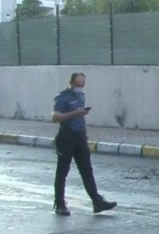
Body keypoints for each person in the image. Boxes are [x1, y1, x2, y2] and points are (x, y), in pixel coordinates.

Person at [50, 72, 117, 216]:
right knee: (62, 172)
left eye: (82, 84)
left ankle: (97, 201)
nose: (80, 86)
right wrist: (72, 114)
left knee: (87, 170)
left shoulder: (81, 96)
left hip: (80, 138)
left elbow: (79, 117)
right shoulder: (62, 97)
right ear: (71, 83)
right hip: (66, 137)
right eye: (77, 84)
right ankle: (59, 204)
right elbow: (55, 117)